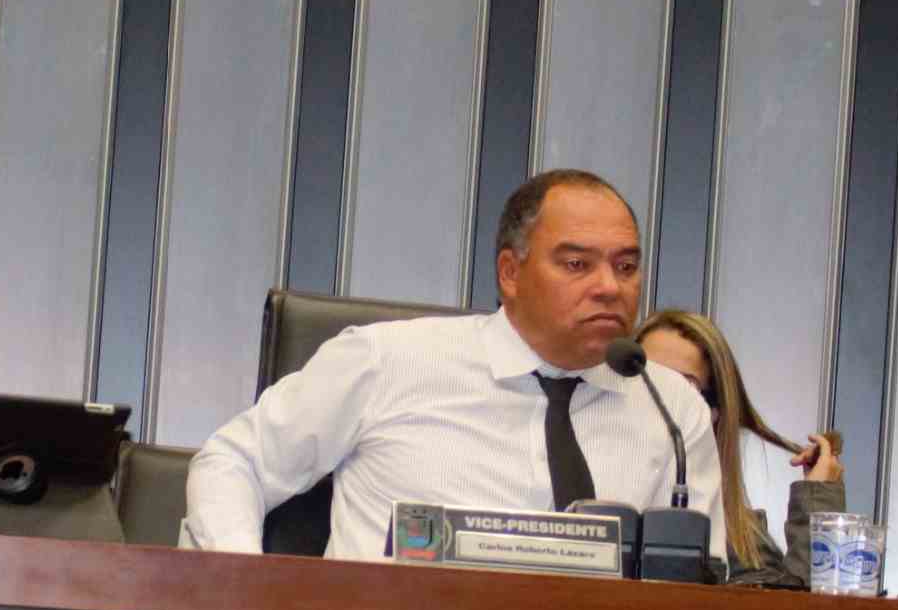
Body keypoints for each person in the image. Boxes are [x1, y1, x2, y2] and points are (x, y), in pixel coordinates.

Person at [182, 169, 718, 559]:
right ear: (510, 273)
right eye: (577, 264)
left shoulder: (670, 408)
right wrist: (247, 590)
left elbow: (697, 581)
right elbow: (235, 462)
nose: (609, 287)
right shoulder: (387, 361)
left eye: (626, 267)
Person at [631, 308, 844, 587]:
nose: (655, 397)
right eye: (646, 378)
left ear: (713, 413)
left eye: (682, 387)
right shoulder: (586, 498)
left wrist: (817, 508)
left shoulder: (736, 538)